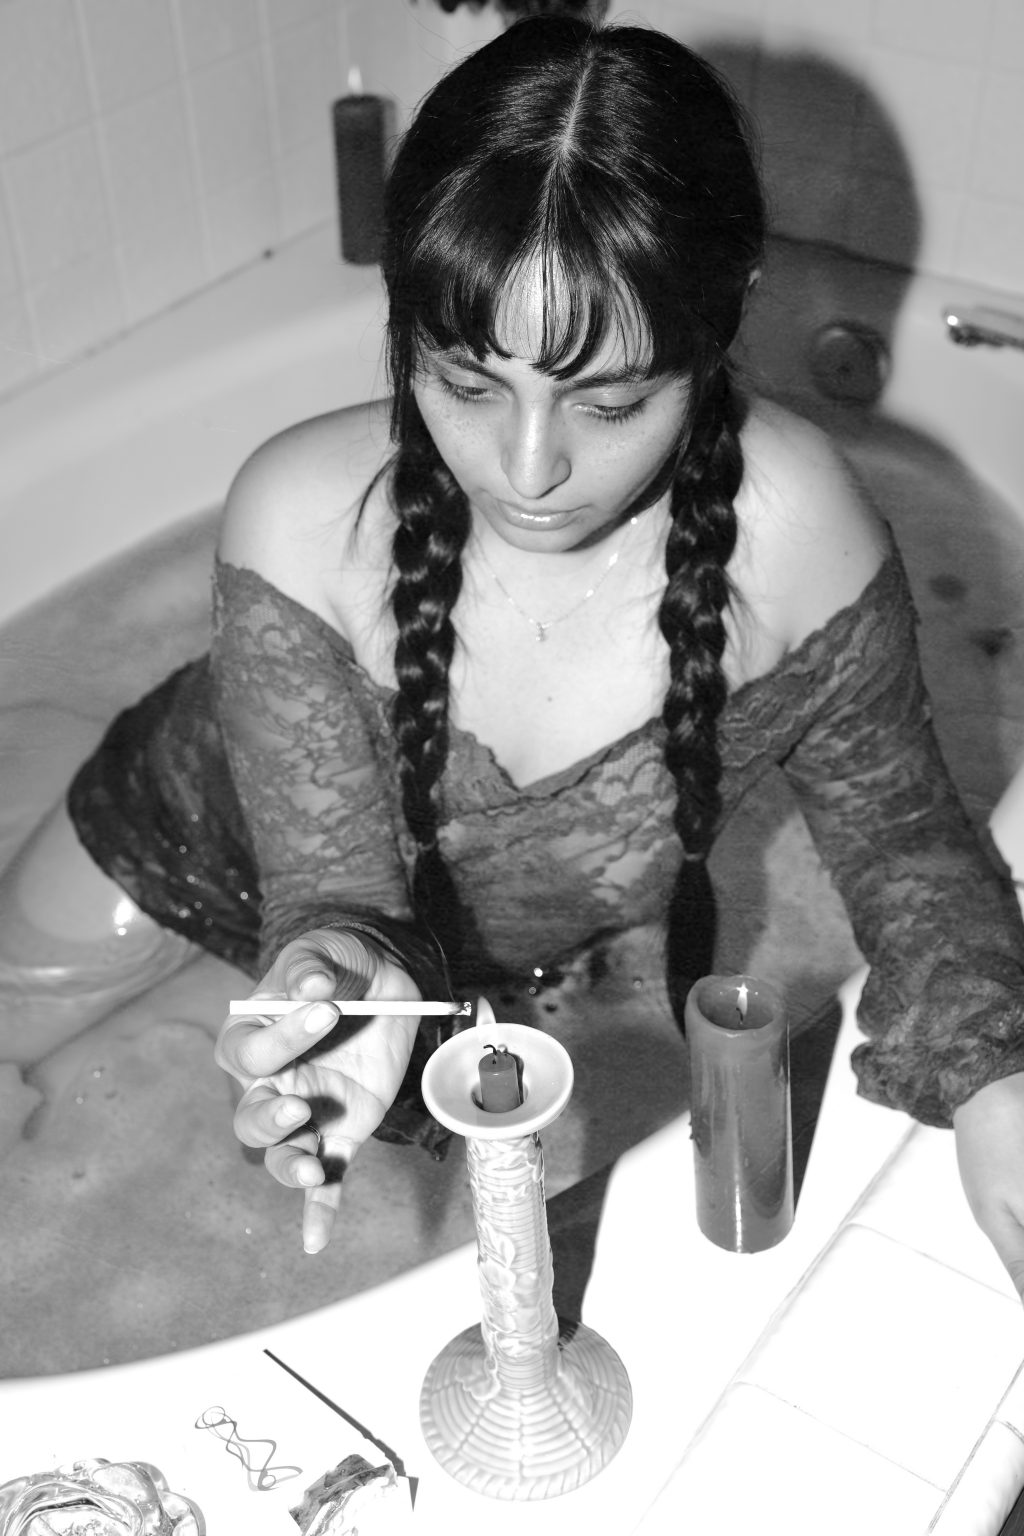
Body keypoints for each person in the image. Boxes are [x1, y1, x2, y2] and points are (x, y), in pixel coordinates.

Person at [3, 17, 1024, 1281]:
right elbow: (333, 893)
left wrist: (993, 1071)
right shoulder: (305, 511)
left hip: (470, 963)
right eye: (467, 385)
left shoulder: (797, 531)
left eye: (610, 401)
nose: (529, 470)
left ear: (723, 322)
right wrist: (337, 965)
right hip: (170, 830)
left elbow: (902, 834)